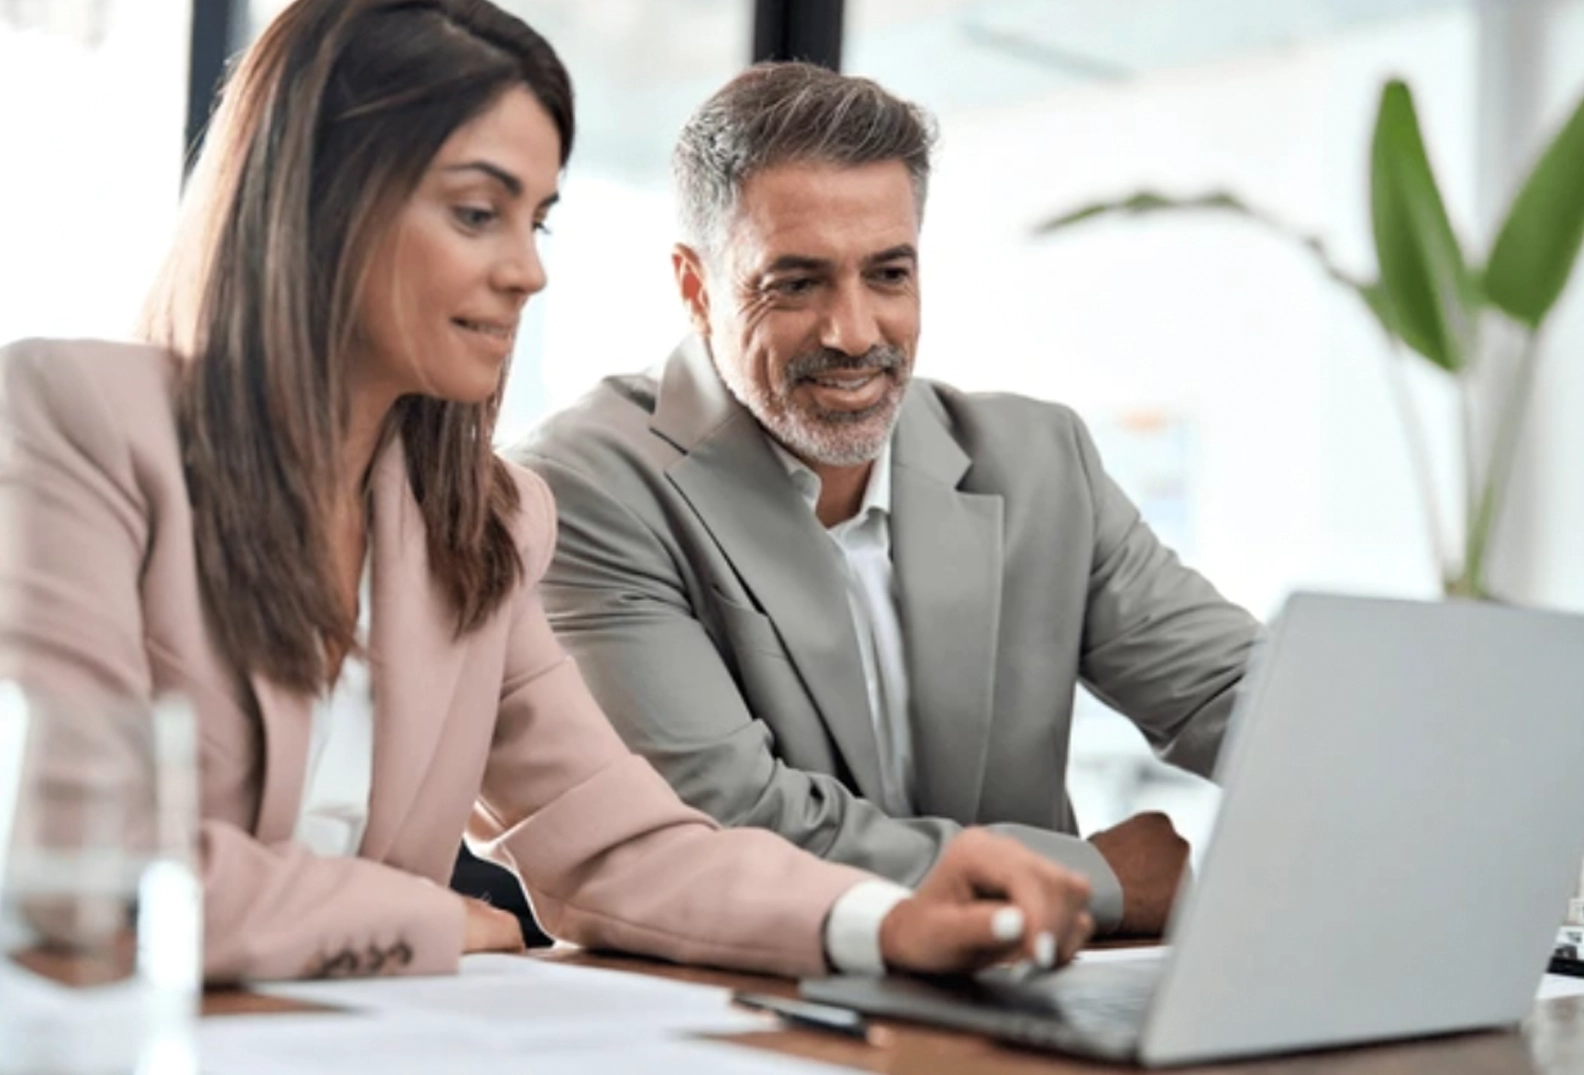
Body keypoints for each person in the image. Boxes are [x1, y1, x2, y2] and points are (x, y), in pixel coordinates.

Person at [0, 0, 1094, 983]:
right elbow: (76, 868)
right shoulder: (77, 419)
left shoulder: (483, 522)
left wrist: (883, 921)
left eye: (539, 219)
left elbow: (620, 846)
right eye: (479, 213)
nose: (528, 269)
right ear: (321, 201)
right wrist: (422, 918)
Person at [515, 62, 1263, 938]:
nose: (855, 333)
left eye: (888, 274)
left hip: (1023, 1004)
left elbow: (1235, 695)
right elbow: (722, 819)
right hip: (745, 1004)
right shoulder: (585, 485)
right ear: (694, 286)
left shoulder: (1040, 461)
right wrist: (1094, 877)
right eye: (795, 282)